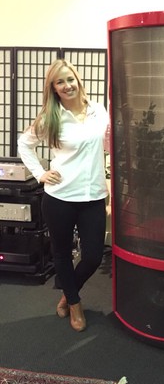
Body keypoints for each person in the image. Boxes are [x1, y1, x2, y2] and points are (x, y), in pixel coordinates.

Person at [18, 59, 110, 332]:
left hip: (92, 195)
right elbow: (25, 144)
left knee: (93, 256)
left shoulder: (97, 110)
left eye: (70, 79)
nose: (67, 85)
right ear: (53, 88)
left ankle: (68, 293)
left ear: (77, 79)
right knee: (61, 252)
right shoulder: (51, 116)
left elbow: (106, 143)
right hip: (59, 197)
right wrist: (39, 173)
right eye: (60, 82)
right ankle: (74, 303)